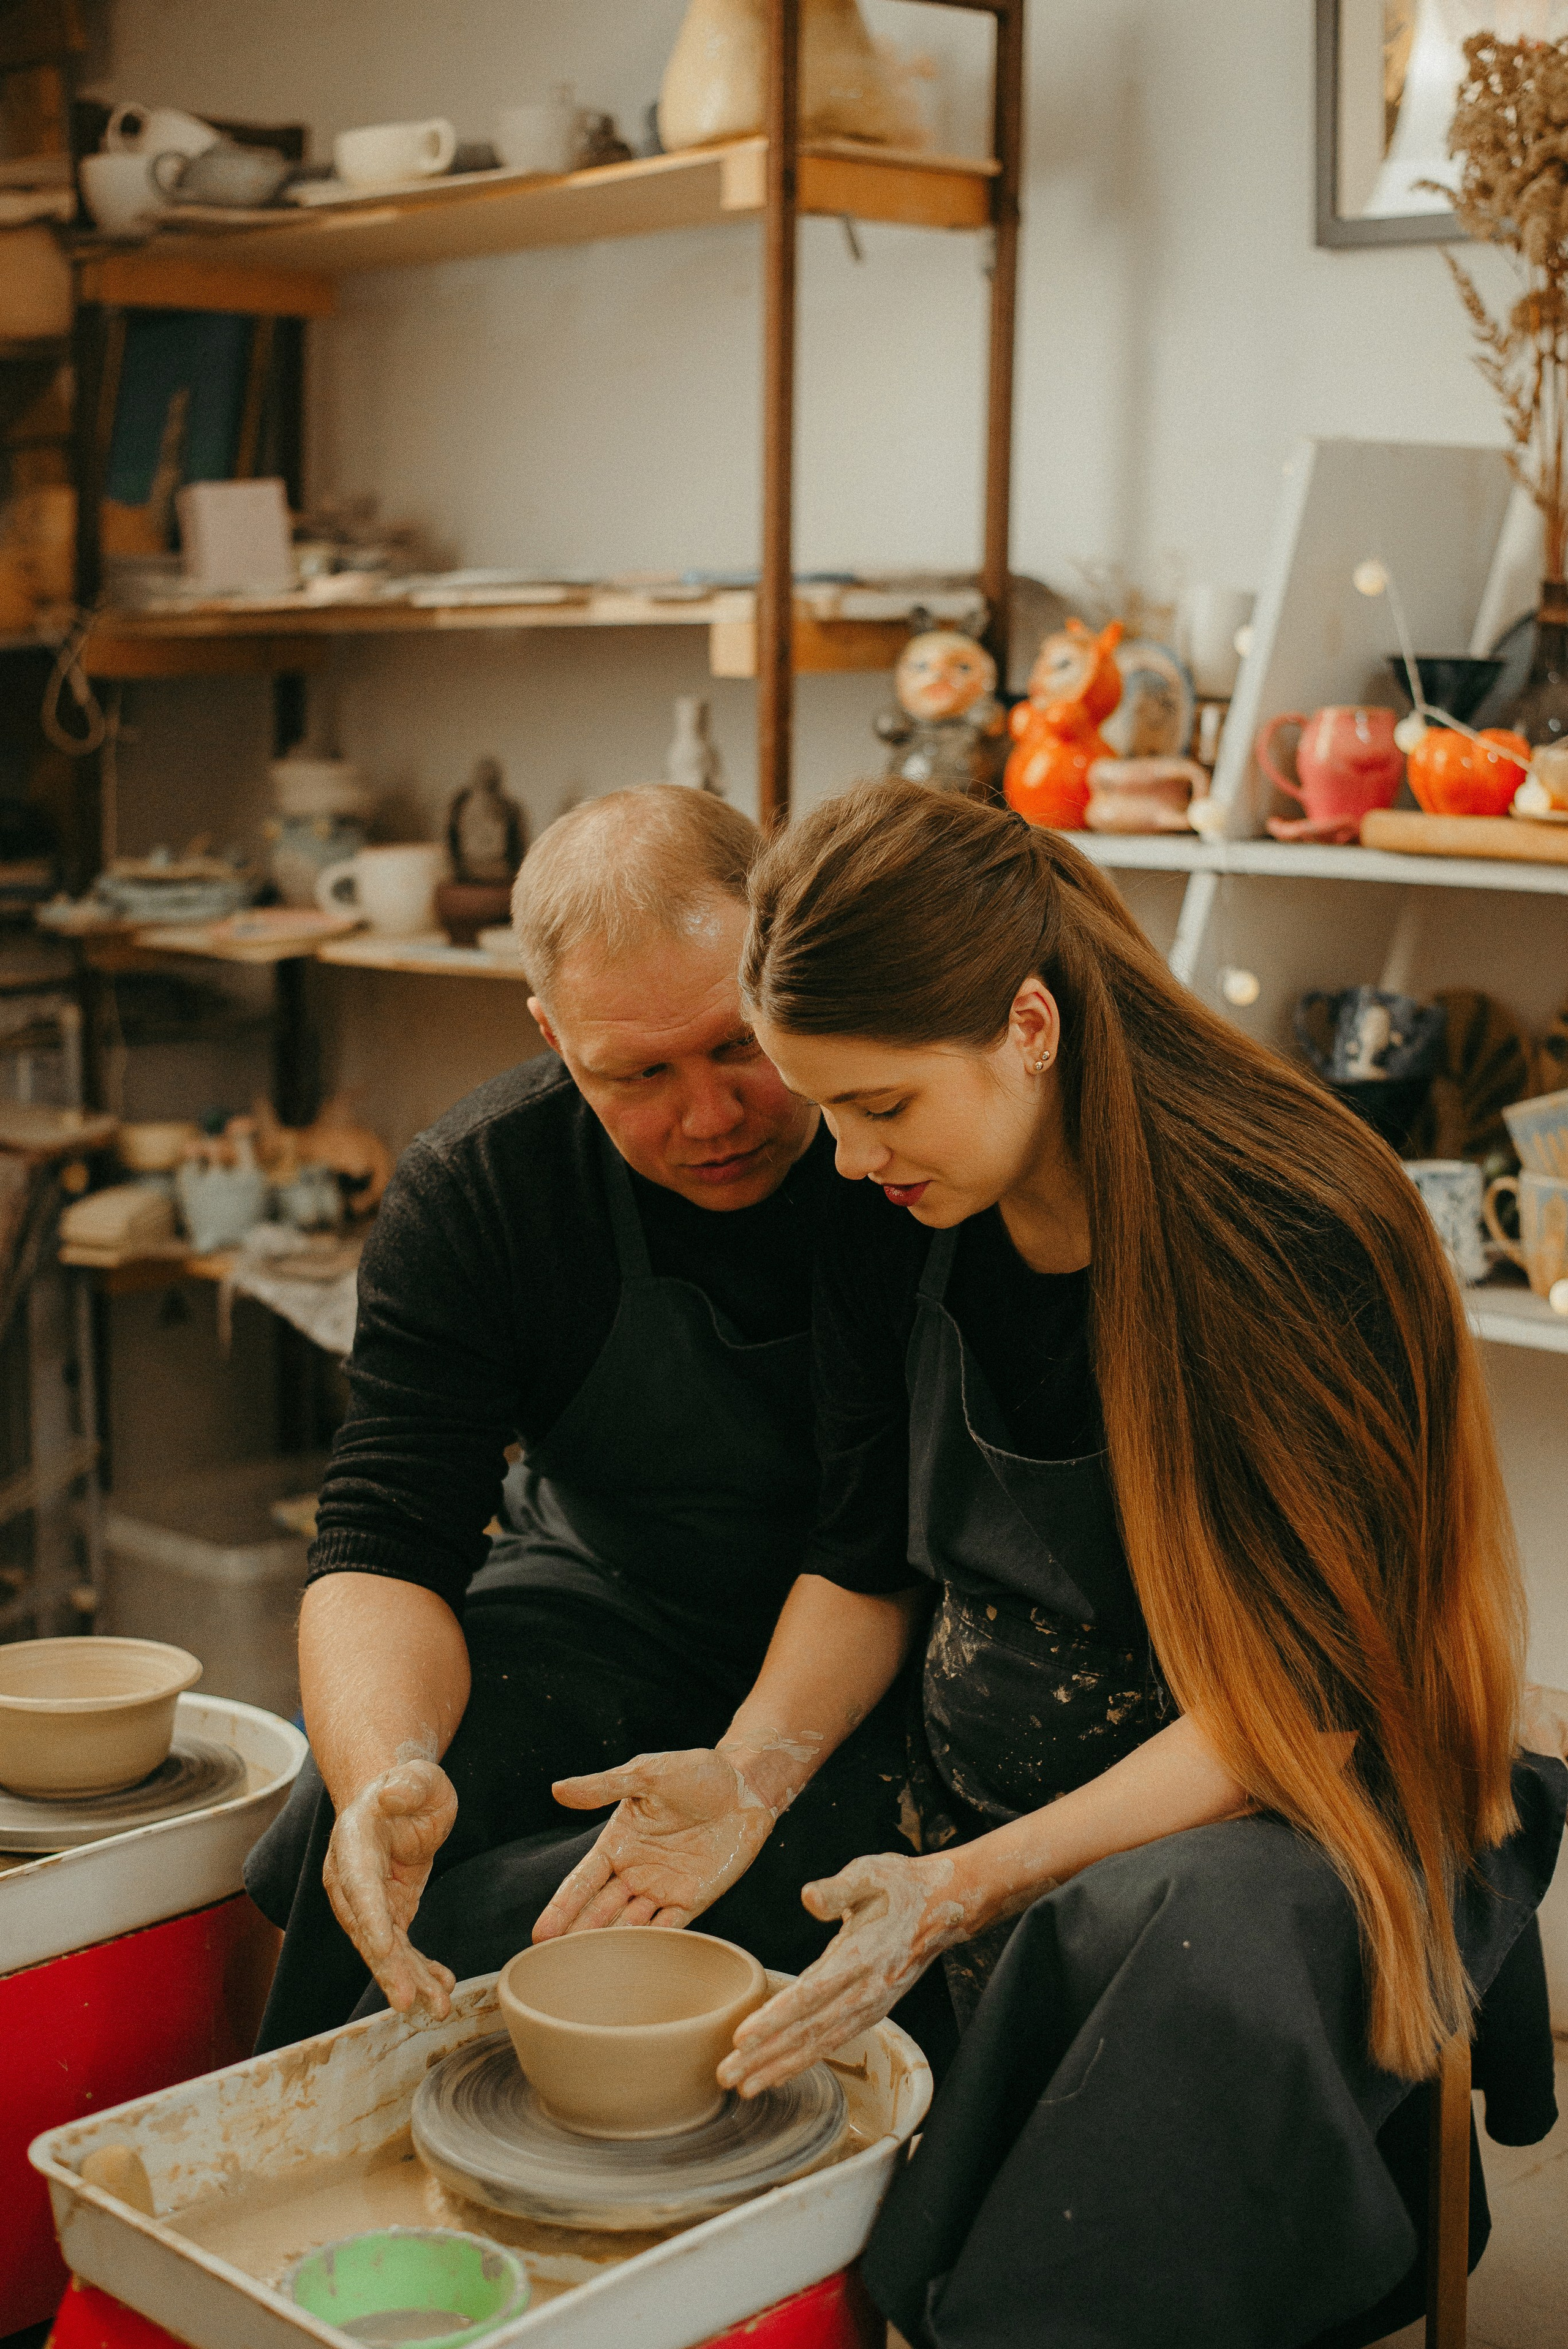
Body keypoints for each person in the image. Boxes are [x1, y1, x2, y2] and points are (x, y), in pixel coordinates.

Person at [530, 781, 1567, 2347]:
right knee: (563, 1926)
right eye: (836, 1108)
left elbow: (1300, 1696)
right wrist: (748, 1774)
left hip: (1299, 1791)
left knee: (1163, 1964)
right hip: (976, 1785)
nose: (850, 1155)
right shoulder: (899, 1209)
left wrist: (959, 1888)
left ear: (1028, 1020)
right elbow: (868, 1551)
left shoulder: (1296, 1227)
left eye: (882, 1105)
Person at [244, 787, 929, 2053]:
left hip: (879, 1645)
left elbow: (870, 1546)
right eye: (640, 1075)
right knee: (352, 1835)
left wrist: (746, 1774)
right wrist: (387, 1769)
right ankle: (295, 2149)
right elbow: (386, 1536)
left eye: (737, 1046)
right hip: (617, 1593)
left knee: (634, 1922)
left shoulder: (900, 1159)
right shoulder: (481, 1193)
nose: (710, 1116)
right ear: (554, 1038)